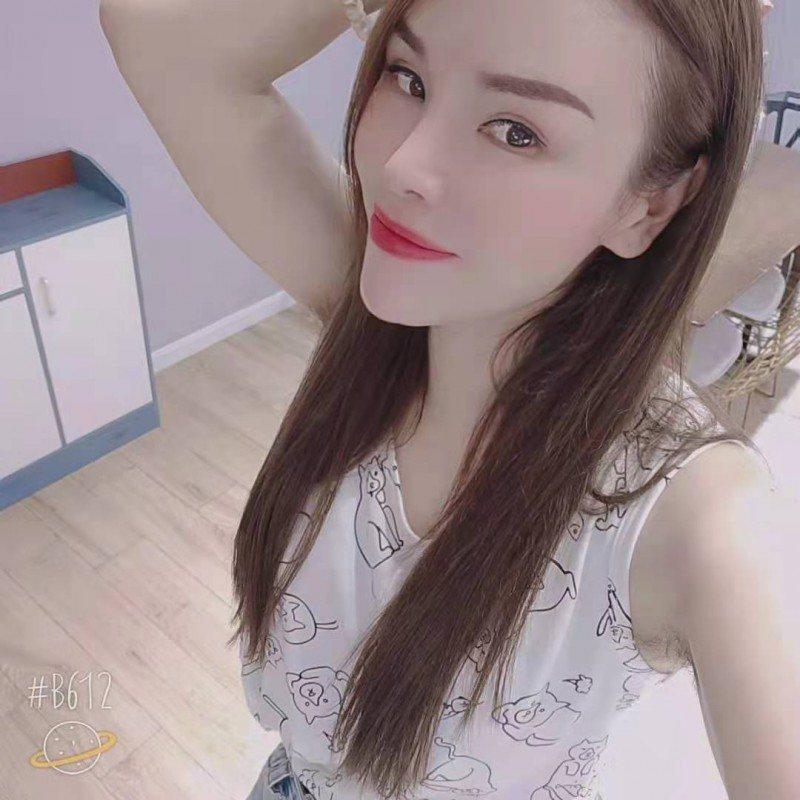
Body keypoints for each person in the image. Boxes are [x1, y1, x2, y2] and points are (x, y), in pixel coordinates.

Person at [98, 1, 798, 799]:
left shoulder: (691, 513)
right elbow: (156, 37)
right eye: (409, 77)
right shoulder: (380, 319)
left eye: (516, 132)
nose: (403, 165)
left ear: (649, 205)